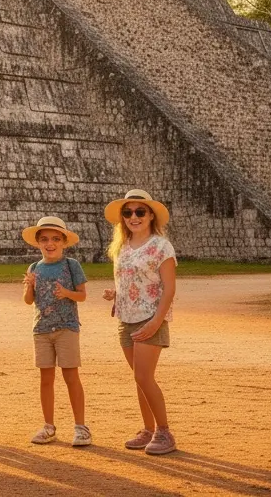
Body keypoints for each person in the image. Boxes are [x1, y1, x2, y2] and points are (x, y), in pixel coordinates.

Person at [103, 189, 177, 456]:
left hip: (149, 318)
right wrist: (115, 293)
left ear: (150, 215)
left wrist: (157, 321)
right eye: (128, 212)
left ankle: (164, 431)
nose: (133, 217)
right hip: (126, 318)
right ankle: (148, 430)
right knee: (139, 379)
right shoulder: (121, 247)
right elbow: (127, 281)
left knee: (144, 376)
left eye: (139, 212)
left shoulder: (161, 246)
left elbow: (169, 288)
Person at [22, 216, 90, 447]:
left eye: (55, 239)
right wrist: (29, 285)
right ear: (38, 243)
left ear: (63, 242)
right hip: (41, 329)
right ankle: (48, 426)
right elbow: (28, 300)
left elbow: (82, 295)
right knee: (46, 379)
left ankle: (81, 427)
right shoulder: (34, 268)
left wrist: (67, 294)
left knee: (71, 377)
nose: (49, 244)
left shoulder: (71, 265)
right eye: (44, 240)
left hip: (66, 327)